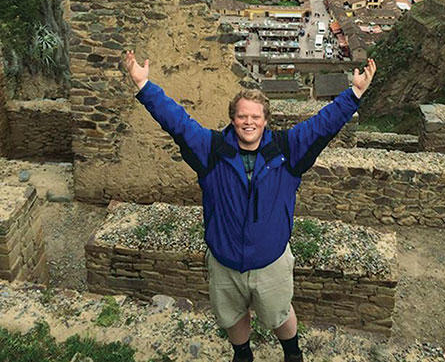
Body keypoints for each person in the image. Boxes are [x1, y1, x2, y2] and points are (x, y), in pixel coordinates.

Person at [125, 51, 376, 362]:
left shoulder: (286, 150)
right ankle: (243, 355)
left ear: (265, 120)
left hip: (270, 260)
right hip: (225, 260)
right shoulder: (211, 150)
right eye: (243, 116)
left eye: (255, 117)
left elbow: (321, 126)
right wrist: (144, 86)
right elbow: (177, 123)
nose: (249, 122)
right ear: (233, 118)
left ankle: (292, 353)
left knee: (280, 314)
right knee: (231, 317)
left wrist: (354, 94)